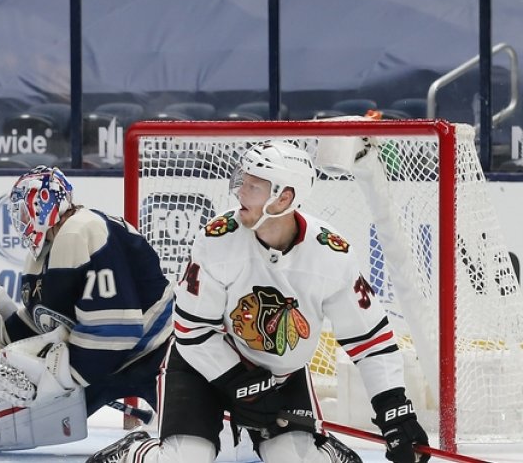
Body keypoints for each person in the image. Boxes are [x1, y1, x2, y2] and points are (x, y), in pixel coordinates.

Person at [88, 142, 430, 463]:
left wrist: (394, 409)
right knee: (187, 458)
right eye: (243, 181)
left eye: (253, 186)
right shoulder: (218, 240)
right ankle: (136, 450)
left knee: (292, 459)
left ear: (283, 198)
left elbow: (370, 340)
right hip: (200, 371)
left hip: (279, 374)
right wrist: (239, 383)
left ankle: (323, 452)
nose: (240, 192)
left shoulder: (330, 255)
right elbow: (191, 329)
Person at [0, 165, 175, 448]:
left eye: (24, 212)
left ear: (45, 202)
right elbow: (44, 321)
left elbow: (116, 331)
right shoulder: (47, 251)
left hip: (164, 358)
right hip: (109, 365)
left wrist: (52, 378)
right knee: (15, 420)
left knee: (203, 446)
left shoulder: (83, 229)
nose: (20, 221)